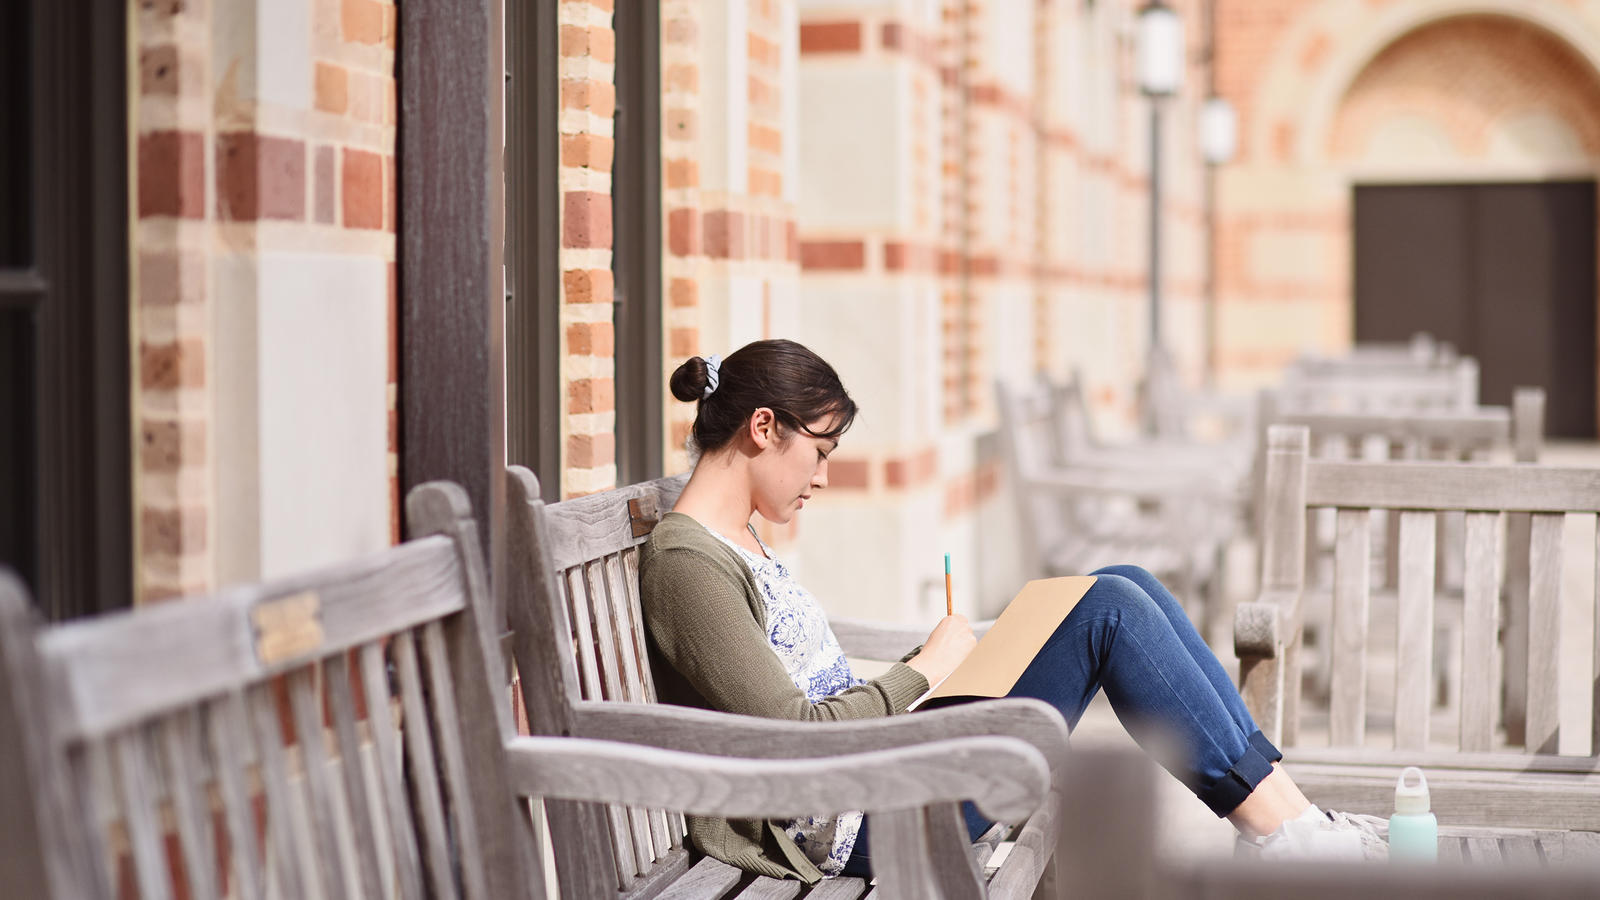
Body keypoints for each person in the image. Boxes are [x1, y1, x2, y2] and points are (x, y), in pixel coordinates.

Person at [639, 339, 1384, 884]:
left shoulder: (736, 540)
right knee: (1112, 612)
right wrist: (923, 670)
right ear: (764, 428)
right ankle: (1287, 840)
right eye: (822, 450)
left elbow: (809, 703)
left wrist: (930, 674)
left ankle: (1293, 823)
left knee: (1121, 581)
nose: (824, 478)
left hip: (889, 766)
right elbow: (797, 738)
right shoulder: (687, 562)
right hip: (864, 814)